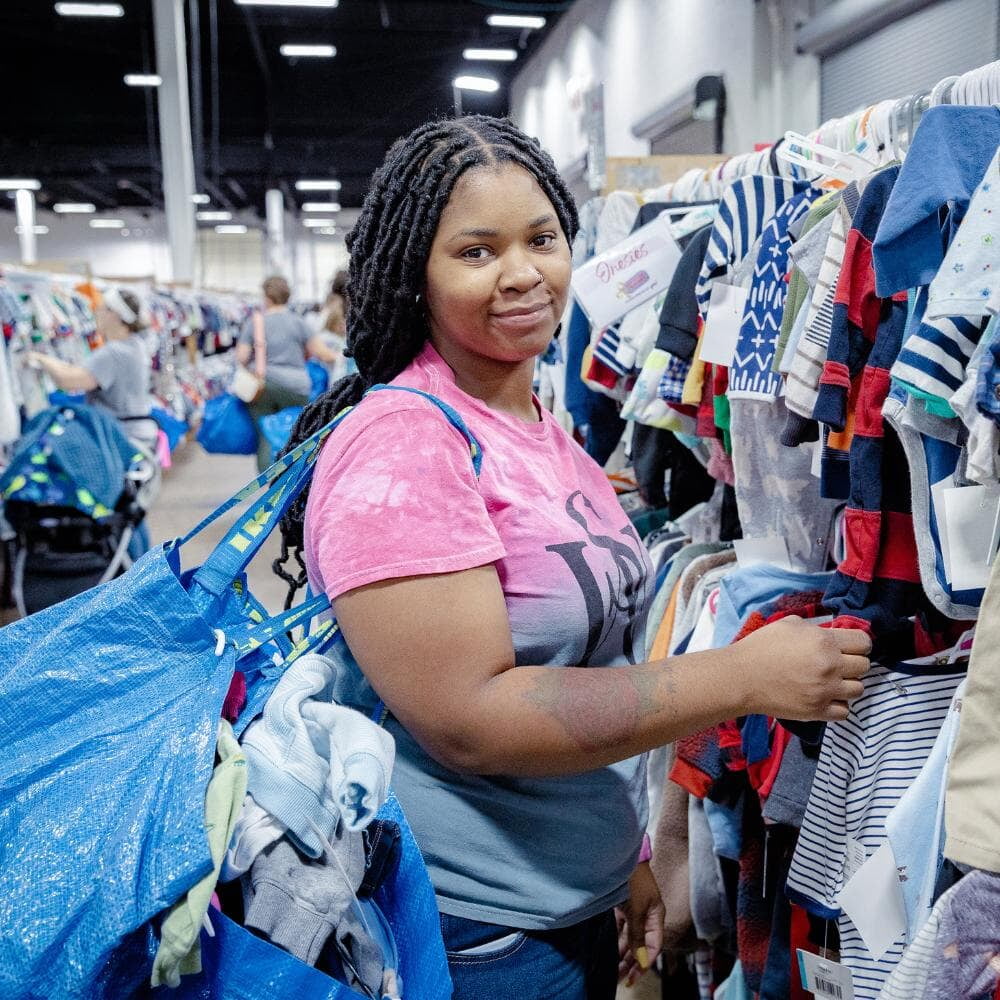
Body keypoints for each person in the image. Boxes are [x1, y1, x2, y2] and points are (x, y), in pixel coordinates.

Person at [274, 115, 871, 1000]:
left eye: (541, 239)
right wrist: (741, 676)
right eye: (476, 251)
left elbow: (586, 657)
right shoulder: (403, 443)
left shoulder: (531, 419)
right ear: (415, 274)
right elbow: (472, 720)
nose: (522, 273)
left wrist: (617, 855)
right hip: (468, 932)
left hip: (559, 905)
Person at [234, 275, 340, 470]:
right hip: (296, 388)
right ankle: (294, 476)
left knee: (265, 435)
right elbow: (323, 354)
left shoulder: (255, 323)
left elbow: (241, 357)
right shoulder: (299, 323)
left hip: (263, 386)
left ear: (266, 297)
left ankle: (269, 484)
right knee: (297, 431)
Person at [28, 286, 153, 432]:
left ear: (115, 314)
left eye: (101, 308)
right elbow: (79, 371)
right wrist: (51, 361)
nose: (96, 313)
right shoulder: (134, 344)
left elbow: (68, 381)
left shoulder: (114, 352)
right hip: (135, 427)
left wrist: (40, 358)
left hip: (120, 435)